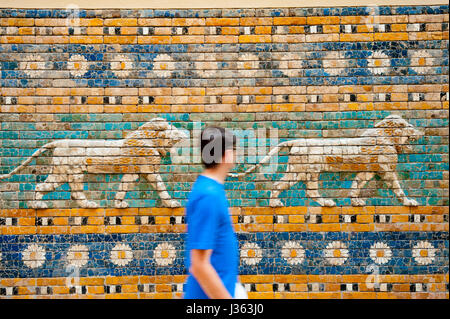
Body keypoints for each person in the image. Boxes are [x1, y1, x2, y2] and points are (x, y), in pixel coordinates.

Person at [183, 126, 241, 299]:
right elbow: (199, 264)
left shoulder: (211, 190)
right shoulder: (209, 195)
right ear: (227, 154)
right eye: (234, 149)